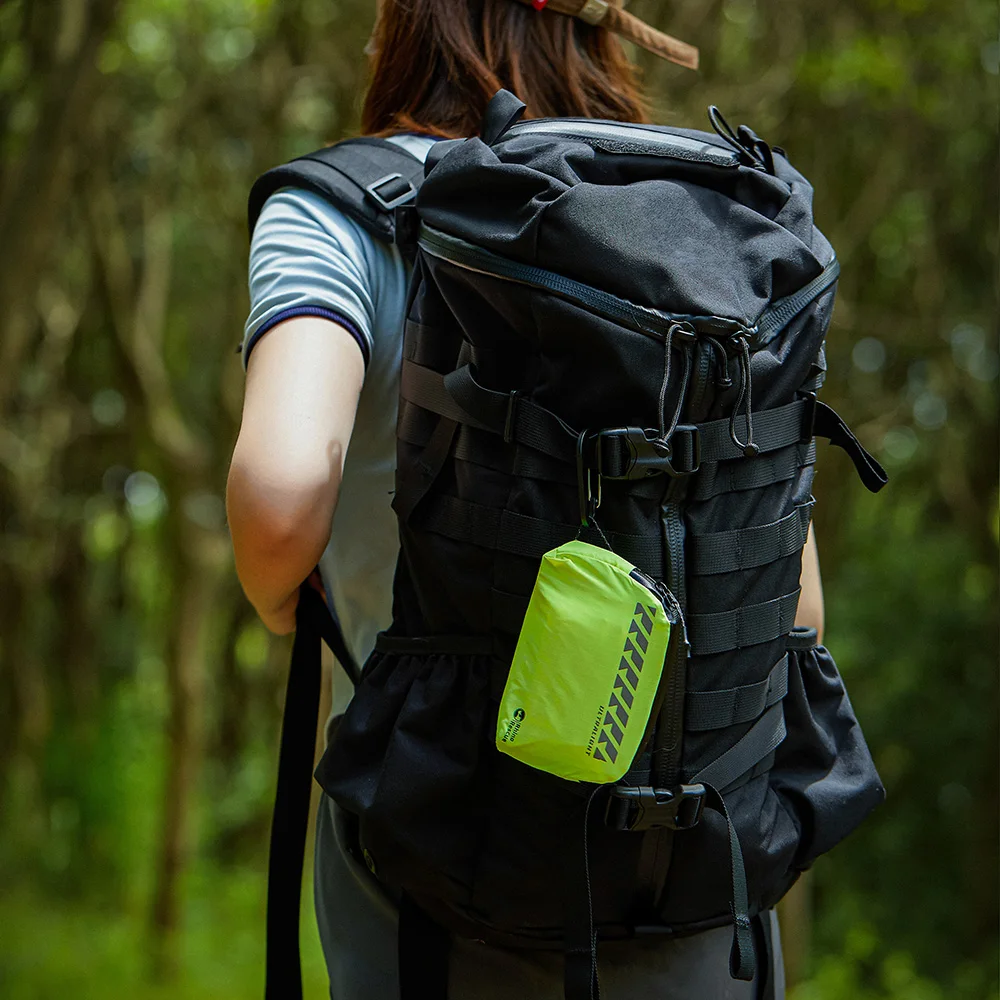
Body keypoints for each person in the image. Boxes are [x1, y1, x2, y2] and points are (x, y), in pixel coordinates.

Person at [227, 0, 826, 995]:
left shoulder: (346, 206)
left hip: (430, 868)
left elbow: (282, 495)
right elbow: (798, 609)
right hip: (695, 858)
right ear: (602, 25)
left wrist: (281, 593)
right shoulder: (721, 223)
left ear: (402, 23)